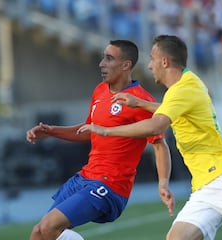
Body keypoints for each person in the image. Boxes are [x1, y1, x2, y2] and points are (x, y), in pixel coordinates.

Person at [78, 35, 222, 240]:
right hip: (204, 186)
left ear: (164, 61)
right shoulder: (188, 83)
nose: (149, 65)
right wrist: (139, 103)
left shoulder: (181, 90)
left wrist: (106, 131)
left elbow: (156, 125)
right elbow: (173, 110)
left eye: (152, 58)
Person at [26, 40, 174, 240]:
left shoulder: (140, 100)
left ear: (126, 65)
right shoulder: (100, 91)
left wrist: (163, 183)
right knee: (40, 232)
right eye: (103, 57)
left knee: (49, 226)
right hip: (85, 177)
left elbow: (159, 144)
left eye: (109, 58)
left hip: (110, 186)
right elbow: (89, 130)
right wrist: (52, 131)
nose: (101, 63)